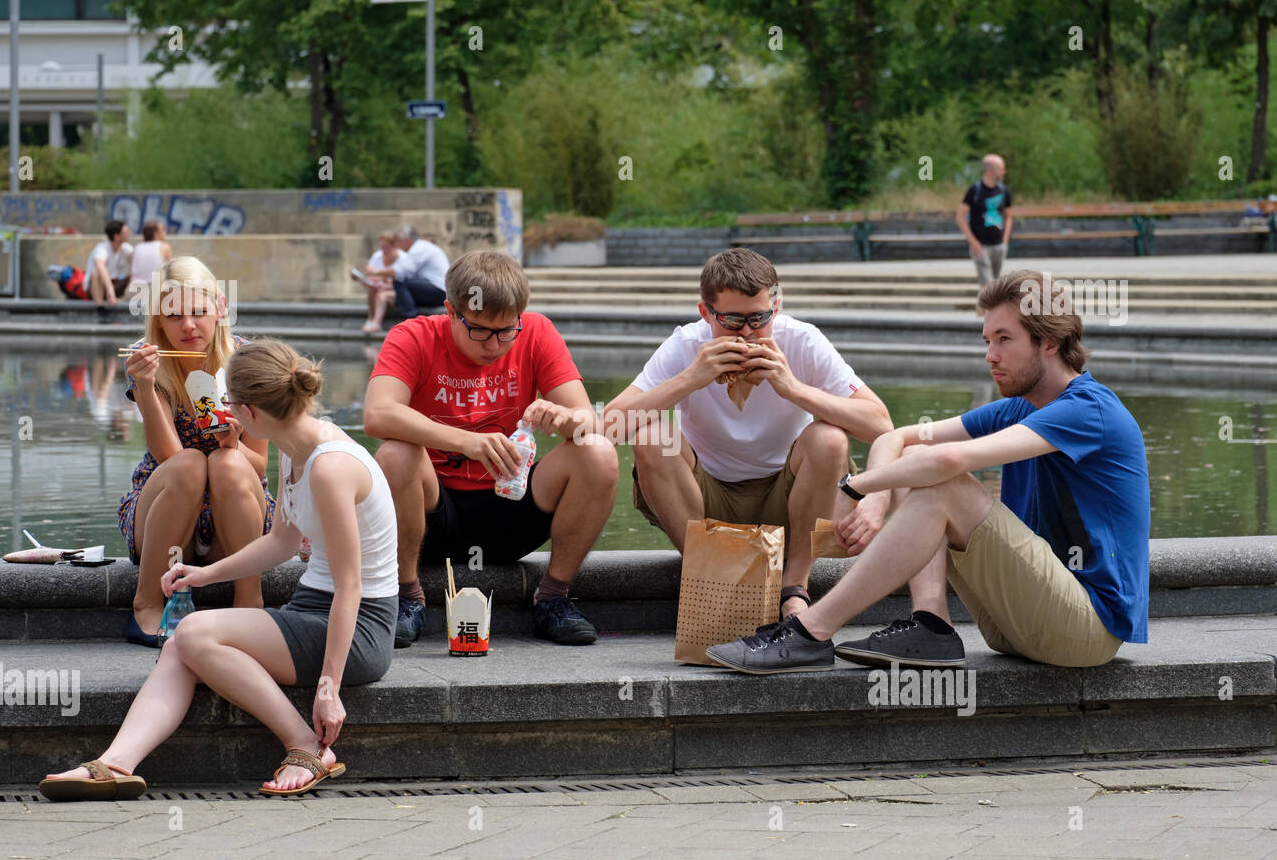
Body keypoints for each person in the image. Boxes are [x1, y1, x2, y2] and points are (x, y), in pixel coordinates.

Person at [705, 269, 1150, 674]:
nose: (990, 356)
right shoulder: (1017, 408)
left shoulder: (1088, 409)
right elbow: (894, 438)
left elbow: (949, 462)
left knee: (943, 483)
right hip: (1017, 626)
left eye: (1004, 339)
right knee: (917, 463)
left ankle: (809, 631)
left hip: (1086, 629)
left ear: (1049, 342)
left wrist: (855, 485)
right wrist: (877, 497)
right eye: (987, 341)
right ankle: (931, 622)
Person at [40, 341, 398, 800]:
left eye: (227, 402)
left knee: (192, 633)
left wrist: (329, 687)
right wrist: (204, 574)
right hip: (312, 608)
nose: (223, 411)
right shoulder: (296, 448)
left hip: (361, 627)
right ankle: (116, 763)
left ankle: (306, 744)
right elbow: (281, 542)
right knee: (181, 646)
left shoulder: (330, 468)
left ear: (249, 412)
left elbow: (350, 587)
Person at [605, 248, 893, 620]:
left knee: (829, 438)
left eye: (759, 318)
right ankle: (712, 576)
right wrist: (689, 379)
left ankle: (795, 588)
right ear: (706, 313)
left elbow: (881, 426)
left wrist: (793, 389)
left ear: (776, 306)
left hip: (790, 498)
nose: (746, 333)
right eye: (732, 320)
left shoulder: (802, 340)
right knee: (652, 436)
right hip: (707, 498)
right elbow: (607, 428)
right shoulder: (686, 345)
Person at [364, 249, 619, 647]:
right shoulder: (412, 336)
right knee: (396, 453)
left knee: (597, 451)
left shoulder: (537, 331)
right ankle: (407, 597)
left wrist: (565, 418)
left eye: (506, 331)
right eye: (480, 330)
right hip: (433, 517)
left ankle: (553, 597)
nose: (495, 345)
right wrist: (466, 441)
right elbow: (377, 414)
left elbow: (590, 421)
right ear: (451, 310)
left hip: (511, 504)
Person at [116, 256, 275, 646]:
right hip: (166, 512)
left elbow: (259, 465)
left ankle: (249, 602)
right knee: (189, 463)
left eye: (199, 312)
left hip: (235, 514)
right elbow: (167, 456)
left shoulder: (246, 361)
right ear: (158, 320)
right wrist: (145, 388)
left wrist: (233, 444)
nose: (188, 325)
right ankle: (147, 603)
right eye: (174, 316)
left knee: (229, 463)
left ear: (220, 307)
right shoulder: (146, 361)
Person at [956, 154, 1013, 315]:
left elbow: (1008, 216)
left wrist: (1005, 240)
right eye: (1001, 169)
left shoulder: (1003, 191)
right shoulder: (975, 190)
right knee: (987, 283)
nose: (1004, 172)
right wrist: (973, 242)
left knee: (993, 283)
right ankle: (988, 317)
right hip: (980, 246)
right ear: (989, 171)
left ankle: (981, 313)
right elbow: (960, 216)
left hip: (998, 245)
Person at [367, 224, 448, 319]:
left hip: (439, 291)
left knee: (399, 282)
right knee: (399, 290)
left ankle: (411, 318)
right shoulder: (420, 247)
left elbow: (400, 274)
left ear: (407, 241)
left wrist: (375, 271)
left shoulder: (418, 249)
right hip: (437, 290)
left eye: (399, 241)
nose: (397, 245)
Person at [355, 230, 405, 335]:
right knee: (373, 288)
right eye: (382, 247)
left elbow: (402, 279)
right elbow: (370, 274)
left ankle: (376, 322)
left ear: (395, 246)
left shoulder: (403, 258)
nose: (384, 250)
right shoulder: (377, 256)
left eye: (387, 247)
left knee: (381, 296)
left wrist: (383, 281)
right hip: (378, 288)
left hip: (398, 291)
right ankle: (370, 318)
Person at [84, 219, 133, 322]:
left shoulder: (125, 248)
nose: (129, 233)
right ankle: (100, 309)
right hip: (95, 288)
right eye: (126, 231)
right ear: (117, 236)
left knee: (134, 272)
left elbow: (137, 261)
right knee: (97, 272)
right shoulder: (101, 249)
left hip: (114, 284)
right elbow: (100, 265)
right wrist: (110, 289)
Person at [127, 219, 173, 298]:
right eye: (163, 229)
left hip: (133, 290)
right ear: (156, 234)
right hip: (153, 290)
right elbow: (170, 272)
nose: (166, 231)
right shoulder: (164, 246)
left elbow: (132, 273)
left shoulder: (137, 247)